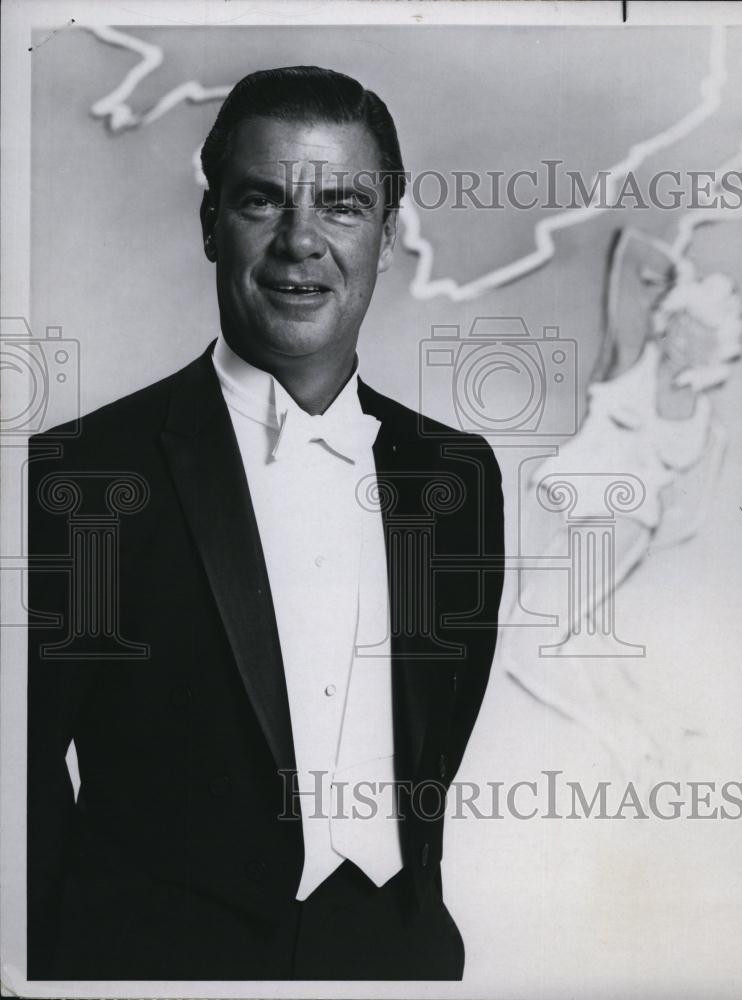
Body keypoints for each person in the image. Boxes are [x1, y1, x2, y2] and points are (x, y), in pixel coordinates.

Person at [27, 66, 504, 981]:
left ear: (388, 237)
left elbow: (433, 750)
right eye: (261, 201)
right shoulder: (86, 472)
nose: (301, 243)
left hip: (394, 961)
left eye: (341, 205)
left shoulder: (457, 475)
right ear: (211, 225)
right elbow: (21, 782)